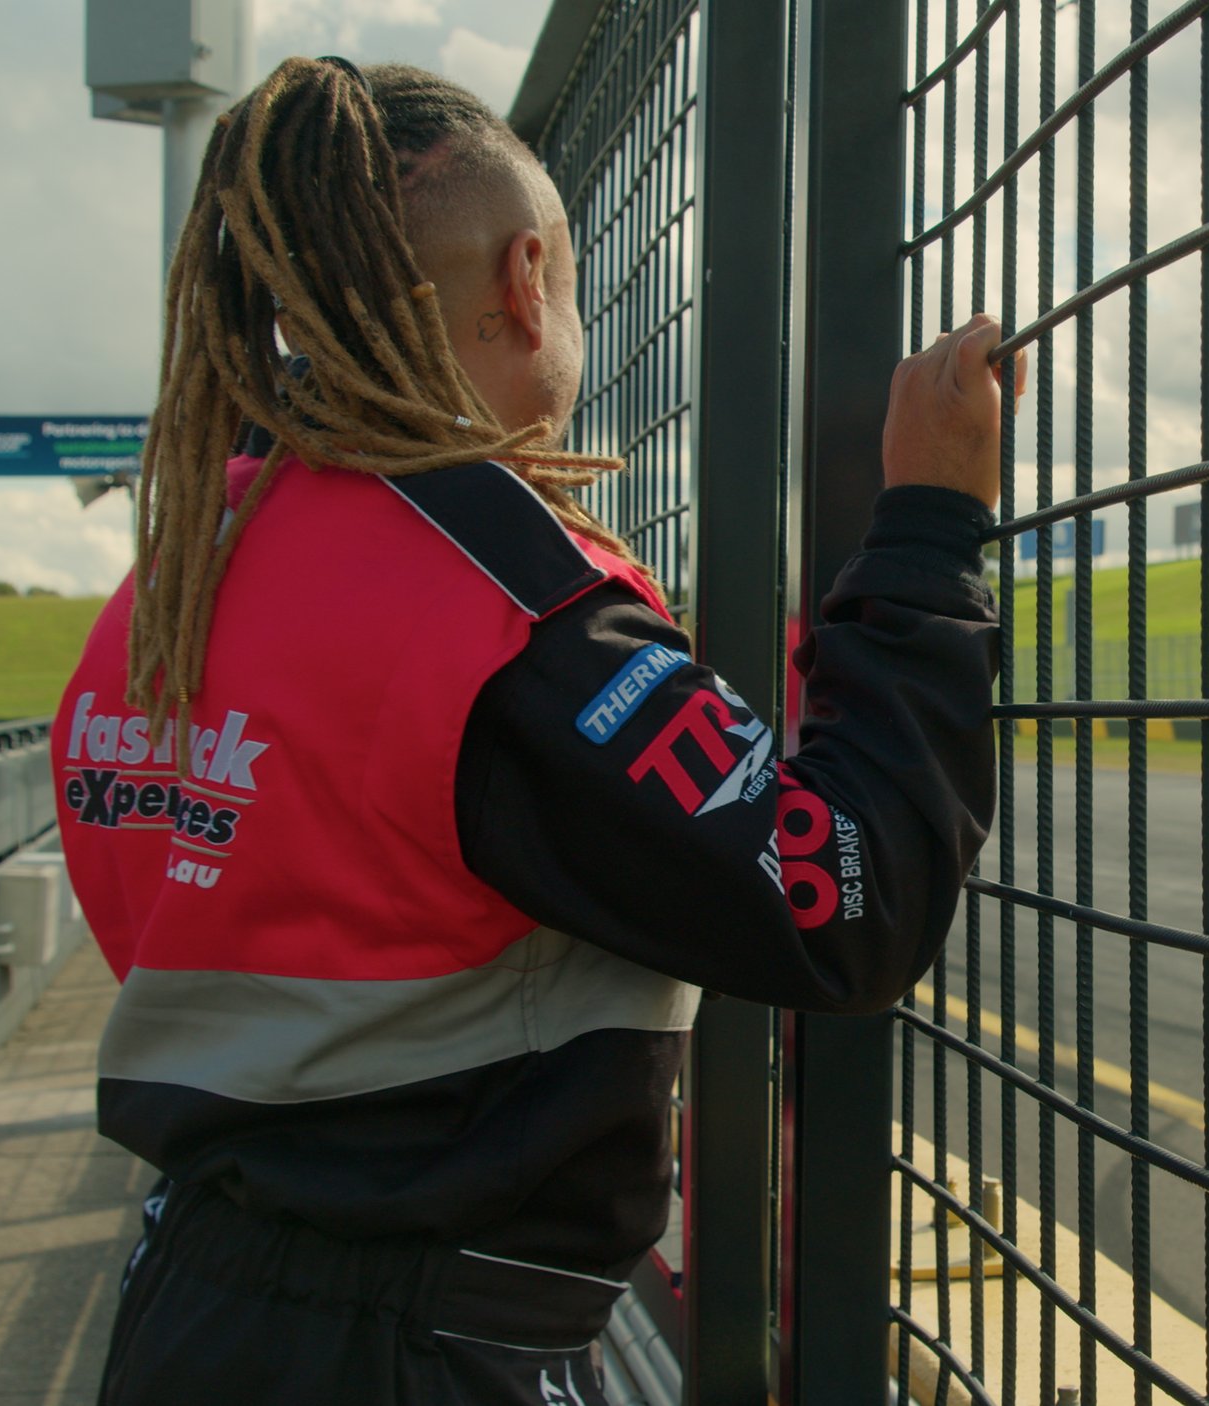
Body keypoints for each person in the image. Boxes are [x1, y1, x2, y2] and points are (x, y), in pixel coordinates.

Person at [51, 56, 1012, 1405]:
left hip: (190, 1302)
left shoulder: (175, 576)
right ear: (527, 276)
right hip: (410, 1343)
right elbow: (840, 893)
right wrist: (928, 531)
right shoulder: (493, 603)